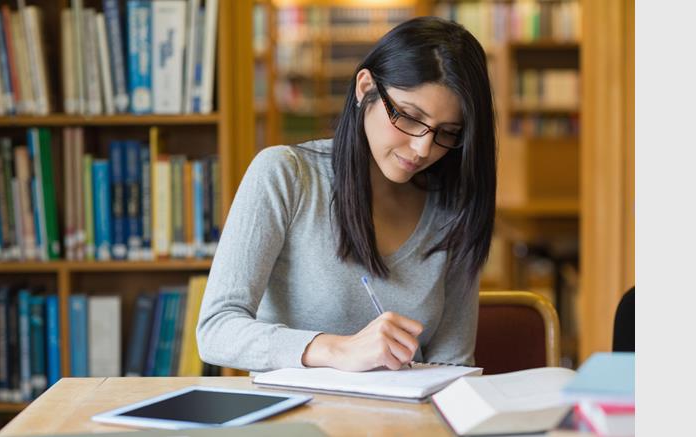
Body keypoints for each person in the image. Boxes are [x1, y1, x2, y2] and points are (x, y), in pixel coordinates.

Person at [196, 16, 497, 373]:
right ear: (365, 86)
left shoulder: (454, 207)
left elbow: (452, 363)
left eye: (447, 132)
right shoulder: (285, 175)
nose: (422, 148)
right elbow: (216, 329)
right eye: (409, 117)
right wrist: (337, 350)